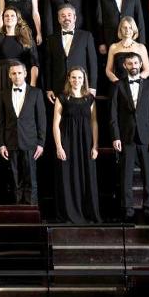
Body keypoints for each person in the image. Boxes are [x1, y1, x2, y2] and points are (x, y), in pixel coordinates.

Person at [110, 53, 149, 222]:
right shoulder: (118, 85)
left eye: (136, 63)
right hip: (126, 136)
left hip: (147, 136)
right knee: (126, 176)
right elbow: (113, 115)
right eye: (130, 63)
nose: (133, 66)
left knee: (148, 176)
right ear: (125, 66)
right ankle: (128, 210)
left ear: (140, 64)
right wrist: (115, 137)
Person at [54, 66, 102, 224]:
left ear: (84, 80)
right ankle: (69, 213)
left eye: (79, 77)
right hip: (67, 141)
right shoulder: (62, 97)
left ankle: (88, 213)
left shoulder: (90, 98)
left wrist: (95, 146)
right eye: (73, 77)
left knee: (87, 175)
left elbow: (94, 122)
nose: (76, 80)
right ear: (69, 79)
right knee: (68, 176)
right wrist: (59, 146)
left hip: (86, 141)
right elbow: (55, 124)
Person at [0, 61, 46, 205]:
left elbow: (41, 120)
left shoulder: (36, 93)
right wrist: (1, 144)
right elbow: (0, 122)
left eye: (19, 73)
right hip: (10, 142)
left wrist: (41, 143)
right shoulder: (3, 94)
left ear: (25, 74)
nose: (17, 76)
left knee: (31, 180)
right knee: (14, 180)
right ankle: (17, 211)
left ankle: (31, 212)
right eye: (13, 73)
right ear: (9, 75)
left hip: (30, 143)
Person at [41, 5, 97, 104]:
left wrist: (92, 87)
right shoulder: (51, 39)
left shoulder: (86, 36)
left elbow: (92, 63)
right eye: (63, 16)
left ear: (75, 18)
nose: (66, 18)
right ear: (59, 19)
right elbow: (48, 65)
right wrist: (49, 88)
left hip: (81, 86)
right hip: (58, 86)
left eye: (69, 15)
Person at [94, 0, 146, 66]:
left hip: (131, 39)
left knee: (132, 66)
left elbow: (139, 17)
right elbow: (99, 19)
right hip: (110, 38)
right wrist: (101, 42)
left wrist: (141, 42)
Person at [0, 8, 38, 99]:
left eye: (12, 15)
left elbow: (34, 64)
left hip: (21, 77)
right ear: (3, 19)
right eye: (6, 16)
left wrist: (32, 84)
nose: (9, 18)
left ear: (17, 19)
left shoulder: (27, 38)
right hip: (1, 78)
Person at [104, 16, 149, 85]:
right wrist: (117, 82)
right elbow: (108, 70)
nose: (127, 30)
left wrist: (136, 80)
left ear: (134, 29)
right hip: (118, 84)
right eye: (125, 27)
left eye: (130, 27)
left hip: (136, 84)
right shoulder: (113, 47)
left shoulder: (141, 47)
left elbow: (147, 70)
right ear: (120, 29)